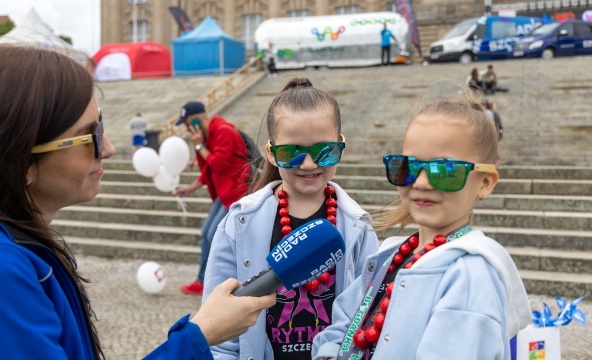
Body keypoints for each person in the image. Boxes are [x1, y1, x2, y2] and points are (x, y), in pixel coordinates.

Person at [0, 44, 275, 360]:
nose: (107, 148)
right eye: (91, 134)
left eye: (102, 126)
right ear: (20, 158)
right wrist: (199, 337)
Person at [312, 86, 531, 359]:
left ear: (485, 183)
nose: (422, 183)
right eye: (408, 167)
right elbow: (343, 322)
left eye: (445, 170)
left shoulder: (470, 274)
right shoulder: (390, 254)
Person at [202, 78, 380, 360]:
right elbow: (216, 326)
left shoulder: (358, 225)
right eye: (291, 154)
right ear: (271, 154)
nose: (309, 164)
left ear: (341, 146)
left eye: (324, 151)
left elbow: (370, 314)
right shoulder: (238, 222)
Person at [173, 101, 250, 296]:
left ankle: (208, 282)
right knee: (206, 234)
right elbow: (207, 168)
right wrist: (191, 188)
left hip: (236, 193)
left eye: (187, 122)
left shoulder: (223, 131)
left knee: (211, 236)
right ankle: (205, 281)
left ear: (196, 118)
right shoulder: (209, 135)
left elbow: (218, 164)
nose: (187, 127)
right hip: (225, 194)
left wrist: (199, 145)